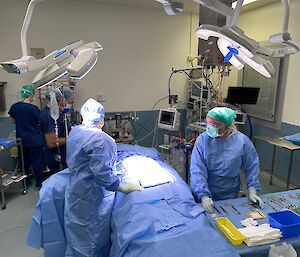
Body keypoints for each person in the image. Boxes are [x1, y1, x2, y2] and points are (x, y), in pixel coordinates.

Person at [64, 98, 143, 257]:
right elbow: (103, 175)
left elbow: (88, 164)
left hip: (75, 191)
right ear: (101, 118)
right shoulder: (101, 140)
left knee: (76, 235)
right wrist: (121, 185)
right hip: (92, 197)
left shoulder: (76, 132)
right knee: (93, 239)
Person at [190, 107, 264, 213]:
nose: (210, 128)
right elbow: (197, 169)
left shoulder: (242, 141)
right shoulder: (203, 140)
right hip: (205, 191)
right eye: (208, 124)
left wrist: (253, 190)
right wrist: (203, 195)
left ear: (226, 126)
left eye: (214, 125)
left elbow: (252, 166)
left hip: (230, 193)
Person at [8, 85, 44, 190]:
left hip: (21, 140)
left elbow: (13, 121)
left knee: (24, 163)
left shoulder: (15, 107)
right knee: (37, 163)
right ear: (31, 95)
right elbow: (40, 122)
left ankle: (26, 183)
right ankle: (38, 184)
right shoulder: (34, 109)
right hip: (35, 140)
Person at [39, 87, 74, 174]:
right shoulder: (50, 116)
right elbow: (52, 142)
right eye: (69, 102)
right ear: (60, 100)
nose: (69, 105)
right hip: (56, 158)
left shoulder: (57, 113)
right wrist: (73, 139)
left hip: (63, 155)